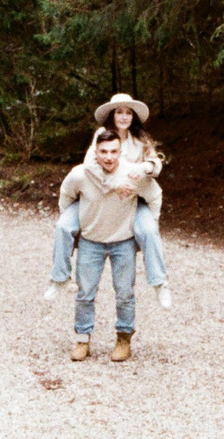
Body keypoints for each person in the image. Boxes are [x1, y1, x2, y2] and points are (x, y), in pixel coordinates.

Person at [43, 92, 172, 307]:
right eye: (119, 112)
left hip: (131, 196)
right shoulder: (102, 134)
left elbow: (155, 166)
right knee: (64, 226)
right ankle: (59, 277)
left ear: (133, 117)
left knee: (149, 231)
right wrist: (112, 184)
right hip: (98, 190)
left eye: (128, 113)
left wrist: (143, 167)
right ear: (112, 115)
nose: (123, 117)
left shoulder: (140, 140)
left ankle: (160, 283)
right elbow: (90, 165)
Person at [57, 129, 155, 361]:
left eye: (113, 151)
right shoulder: (80, 174)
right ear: (95, 153)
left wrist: (149, 227)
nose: (108, 157)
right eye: (103, 152)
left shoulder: (132, 173)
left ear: (121, 152)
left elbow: (153, 194)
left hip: (123, 242)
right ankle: (82, 339)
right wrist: (74, 223)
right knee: (85, 293)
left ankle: (123, 338)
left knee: (124, 293)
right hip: (92, 241)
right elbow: (66, 197)